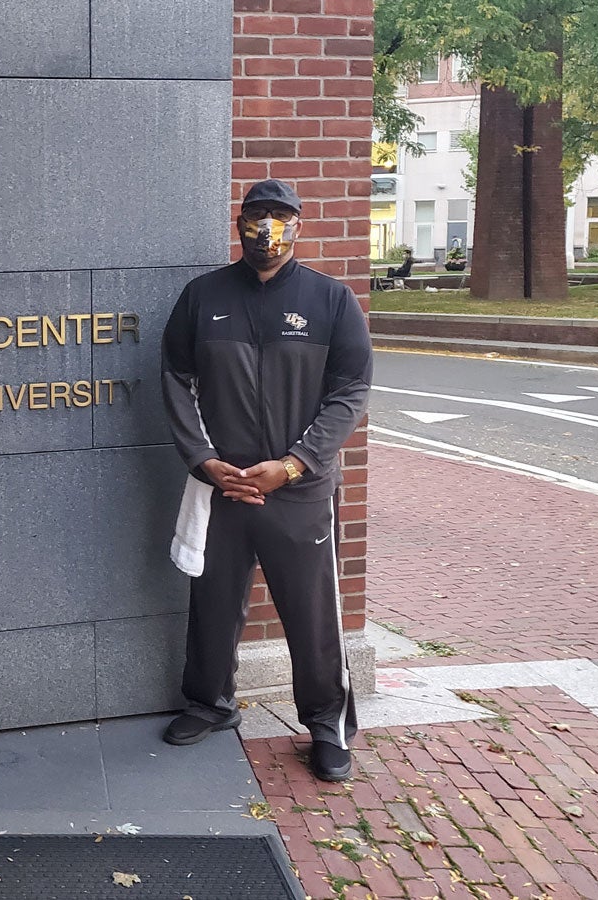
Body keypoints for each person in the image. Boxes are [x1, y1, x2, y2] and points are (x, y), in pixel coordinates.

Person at [159, 179, 373, 782]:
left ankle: (328, 724)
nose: (266, 228)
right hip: (223, 485)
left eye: (280, 216)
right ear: (240, 223)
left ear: (299, 225)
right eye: (256, 215)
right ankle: (209, 704)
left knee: (311, 611)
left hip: (298, 489)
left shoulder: (332, 300)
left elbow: (350, 391)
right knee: (214, 601)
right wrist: (203, 458)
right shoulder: (202, 298)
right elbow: (176, 377)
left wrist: (296, 463)